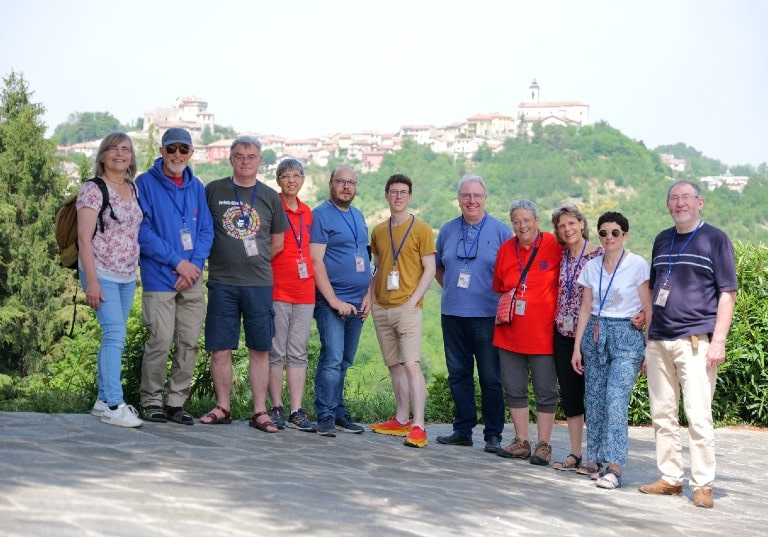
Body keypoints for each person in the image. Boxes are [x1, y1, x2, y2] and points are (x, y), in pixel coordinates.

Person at [639, 180, 737, 509]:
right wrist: (647, 338)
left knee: (698, 415)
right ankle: (669, 478)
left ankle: (703, 484)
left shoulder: (716, 238)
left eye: (686, 198)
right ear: (668, 206)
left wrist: (718, 341)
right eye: (674, 199)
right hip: (659, 341)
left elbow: (727, 293)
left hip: (695, 340)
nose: (680, 203)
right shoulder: (662, 239)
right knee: (662, 415)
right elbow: (654, 293)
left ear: (700, 203)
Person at [199, 136, 289, 433]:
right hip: (222, 282)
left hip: (259, 283)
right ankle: (223, 406)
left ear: (260, 160)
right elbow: (203, 231)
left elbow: (277, 242)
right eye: (239, 156)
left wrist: (253, 259)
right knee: (220, 348)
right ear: (230, 160)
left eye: (251, 156)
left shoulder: (269, 196)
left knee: (259, 348)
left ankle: (260, 411)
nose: (245, 161)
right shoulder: (214, 190)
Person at [136, 127, 213, 425]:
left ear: (191, 153)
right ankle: (151, 400)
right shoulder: (144, 183)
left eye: (183, 149)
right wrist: (178, 263)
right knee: (160, 340)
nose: (177, 155)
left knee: (189, 342)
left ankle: (176, 402)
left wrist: (192, 265)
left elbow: (206, 230)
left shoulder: (197, 187)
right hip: (160, 278)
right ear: (162, 151)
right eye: (171, 149)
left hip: (191, 278)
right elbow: (142, 232)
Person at [571, 212, 652, 490]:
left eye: (615, 232)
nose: (609, 238)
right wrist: (576, 348)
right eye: (603, 233)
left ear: (625, 236)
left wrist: (649, 348)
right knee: (594, 399)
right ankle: (594, 458)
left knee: (615, 400)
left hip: (626, 335)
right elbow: (584, 309)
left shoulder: (637, 265)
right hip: (595, 333)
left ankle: (615, 467)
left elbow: (649, 309)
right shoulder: (591, 267)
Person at [434, 176, 512, 453]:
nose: (471, 201)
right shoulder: (446, 230)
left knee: (491, 377)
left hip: (488, 316)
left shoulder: (501, 231)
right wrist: (455, 292)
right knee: (458, 375)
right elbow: (437, 267)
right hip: (452, 313)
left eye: (477, 196)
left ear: (485, 198)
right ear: (459, 199)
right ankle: (462, 430)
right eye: (466, 196)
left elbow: (512, 273)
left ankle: (493, 435)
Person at [79, 131, 144, 428]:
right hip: (101, 272)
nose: (120, 154)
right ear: (103, 154)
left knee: (114, 336)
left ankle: (104, 400)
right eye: (114, 149)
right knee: (115, 335)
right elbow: (83, 239)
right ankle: (115, 403)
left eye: (126, 149)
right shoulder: (93, 189)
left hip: (127, 276)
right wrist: (91, 282)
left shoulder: (132, 188)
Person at [368, 174, 436, 448]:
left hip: (407, 306)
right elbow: (375, 267)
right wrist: (371, 300)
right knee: (394, 365)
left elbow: (430, 269)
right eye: (393, 192)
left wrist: (413, 301)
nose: (398, 196)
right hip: (382, 308)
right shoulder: (379, 231)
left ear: (410, 196)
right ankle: (401, 418)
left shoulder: (421, 229)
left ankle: (419, 425)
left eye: (403, 192)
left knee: (411, 365)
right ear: (387, 195)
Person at [493, 199, 561, 465]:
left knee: (545, 390)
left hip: (544, 333)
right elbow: (499, 285)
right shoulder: (505, 249)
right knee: (514, 388)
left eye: (527, 220)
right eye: (517, 221)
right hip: (510, 331)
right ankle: (521, 441)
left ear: (537, 221)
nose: (522, 226)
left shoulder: (554, 245)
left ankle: (544, 444)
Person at [310, 166, 371, 437]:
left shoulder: (358, 216)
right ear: (330, 184)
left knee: (345, 360)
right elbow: (316, 261)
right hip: (331, 300)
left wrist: (368, 295)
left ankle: (338, 411)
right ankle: (324, 414)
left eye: (351, 182)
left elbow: (366, 259)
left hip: (358, 302)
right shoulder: (320, 215)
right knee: (332, 358)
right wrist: (333, 301)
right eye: (341, 182)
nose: (346, 187)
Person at [550, 205, 603, 471]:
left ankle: (594, 456)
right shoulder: (560, 256)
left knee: (593, 395)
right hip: (562, 333)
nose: (567, 229)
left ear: (582, 224)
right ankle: (574, 453)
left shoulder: (599, 254)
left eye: (571, 223)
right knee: (570, 395)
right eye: (561, 225)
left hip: (591, 334)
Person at [266, 159, 316, 432]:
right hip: (278, 288)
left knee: (298, 353)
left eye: (296, 175)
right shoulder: (273, 207)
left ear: (303, 179)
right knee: (275, 351)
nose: (292, 181)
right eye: (286, 176)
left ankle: (296, 409)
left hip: (305, 291)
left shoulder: (308, 212)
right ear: (278, 180)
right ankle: (276, 407)